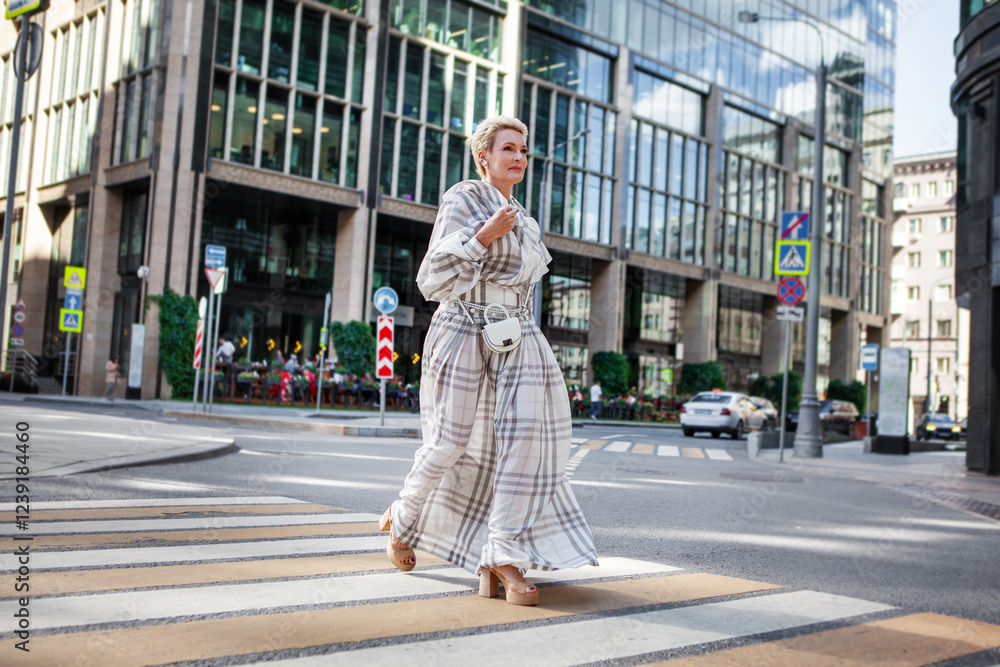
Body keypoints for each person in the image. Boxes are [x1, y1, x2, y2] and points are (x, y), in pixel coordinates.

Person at [380, 115, 597, 607]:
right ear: (485, 157)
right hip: (461, 329)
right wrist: (482, 236)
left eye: (524, 151)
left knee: (525, 442)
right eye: (509, 149)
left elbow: (522, 289)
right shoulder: (463, 198)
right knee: (449, 441)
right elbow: (431, 279)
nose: (519, 158)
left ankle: (503, 554)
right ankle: (403, 518)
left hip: (516, 336)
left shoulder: (528, 220)